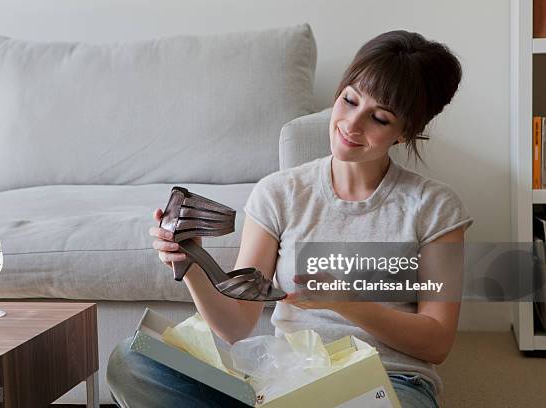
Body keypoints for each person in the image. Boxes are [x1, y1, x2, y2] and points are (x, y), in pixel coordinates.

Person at [107, 30, 473, 408]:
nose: (351, 124)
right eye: (349, 100)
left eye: (378, 118)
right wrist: (190, 264)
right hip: (285, 383)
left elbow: (437, 341)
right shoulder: (279, 193)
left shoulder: (435, 207)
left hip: (386, 382)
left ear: (404, 133)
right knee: (132, 361)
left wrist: (346, 302)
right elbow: (236, 326)